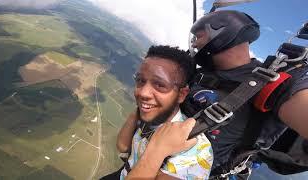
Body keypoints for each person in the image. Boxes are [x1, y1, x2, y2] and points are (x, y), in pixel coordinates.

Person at [126, 10, 308, 179]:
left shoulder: (275, 82)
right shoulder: (199, 74)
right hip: (142, 160)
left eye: (199, 36)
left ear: (222, 32)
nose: (195, 44)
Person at [101, 45, 214, 179]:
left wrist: (158, 150)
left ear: (182, 94)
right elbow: (123, 147)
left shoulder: (197, 152)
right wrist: (137, 113)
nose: (143, 92)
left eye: (160, 85)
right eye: (140, 80)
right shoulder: (149, 115)